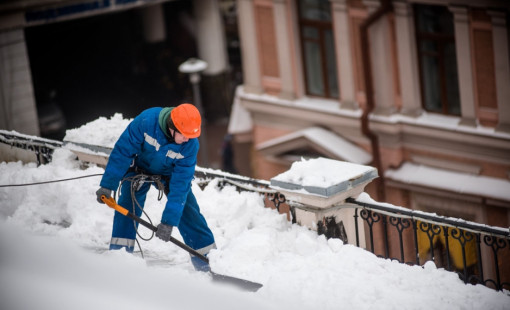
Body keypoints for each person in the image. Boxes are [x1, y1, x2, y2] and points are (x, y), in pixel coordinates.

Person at [95, 103, 215, 272]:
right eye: (184, 135)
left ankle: (208, 260)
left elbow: (181, 185)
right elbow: (122, 151)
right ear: (172, 127)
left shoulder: (190, 145)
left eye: (191, 135)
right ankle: (119, 256)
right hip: (139, 169)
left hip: (169, 175)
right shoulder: (147, 121)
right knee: (127, 203)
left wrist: (168, 222)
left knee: (188, 210)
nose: (187, 139)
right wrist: (107, 185)